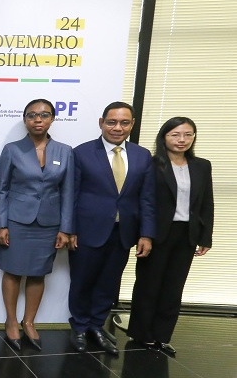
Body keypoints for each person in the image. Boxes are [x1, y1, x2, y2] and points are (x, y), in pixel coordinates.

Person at [68, 101, 155, 355]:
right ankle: (80, 327)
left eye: (124, 122)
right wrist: (70, 229)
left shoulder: (142, 155)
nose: (118, 127)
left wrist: (146, 234)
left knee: (109, 283)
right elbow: (71, 195)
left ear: (132, 125)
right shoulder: (82, 152)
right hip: (86, 231)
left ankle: (97, 325)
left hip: (123, 232)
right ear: (101, 123)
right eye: (112, 122)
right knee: (82, 282)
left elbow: (147, 199)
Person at [127, 117, 213, 355]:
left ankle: (162, 336)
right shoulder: (152, 164)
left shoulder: (202, 166)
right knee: (148, 285)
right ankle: (141, 334)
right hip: (156, 233)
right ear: (164, 137)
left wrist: (206, 236)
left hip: (187, 233)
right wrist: (144, 234)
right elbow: (143, 202)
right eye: (175, 134)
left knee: (174, 288)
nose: (182, 140)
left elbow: (207, 203)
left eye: (188, 134)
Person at [0, 99, 74, 351]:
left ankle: (28, 322)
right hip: (16, 222)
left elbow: (68, 193)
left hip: (49, 224)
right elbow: (1, 190)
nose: (38, 119)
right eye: (32, 115)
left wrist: (65, 228)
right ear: (25, 119)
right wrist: (1, 224)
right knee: (13, 271)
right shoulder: (12, 149)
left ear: (52, 119)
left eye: (44, 115)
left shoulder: (65, 151)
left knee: (38, 273)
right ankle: (11, 321)